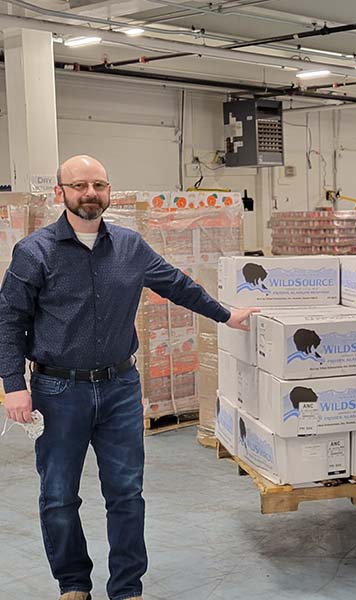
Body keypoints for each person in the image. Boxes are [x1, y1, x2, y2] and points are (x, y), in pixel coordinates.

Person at [0, 155, 259, 600]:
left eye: (98, 185)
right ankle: (74, 584)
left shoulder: (130, 246)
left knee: (126, 494)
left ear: (109, 191)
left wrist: (226, 314)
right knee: (59, 497)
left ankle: (127, 588)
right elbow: (9, 320)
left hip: (120, 387)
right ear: (60, 193)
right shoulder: (34, 251)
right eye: (79, 185)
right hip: (57, 391)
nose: (90, 193)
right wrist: (13, 385)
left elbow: (178, 285)